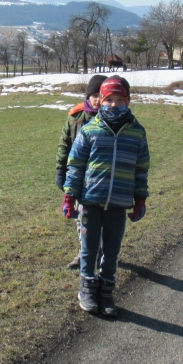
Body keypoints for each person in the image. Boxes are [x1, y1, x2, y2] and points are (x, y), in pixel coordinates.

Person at [62, 76, 149, 317]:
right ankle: (87, 288)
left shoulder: (137, 133)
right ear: (100, 100)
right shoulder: (89, 131)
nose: (114, 104)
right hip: (91, 201)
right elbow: (75, 166)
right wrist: (70, 197)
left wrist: (140, 198)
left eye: (120, 100)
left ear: (128, 101)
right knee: (89, 248)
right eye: (109, 99)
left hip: (119, 202)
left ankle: (106, 290)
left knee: (111, 250)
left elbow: (141, 168)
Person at [55, 73, 107, 269]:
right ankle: (84, 252)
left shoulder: (112, 119)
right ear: (87, 96)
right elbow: (64, 146)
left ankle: (102, 251)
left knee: (103, 218)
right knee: (81, 217)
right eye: (94, 95)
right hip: (79, 178)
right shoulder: (75, 118)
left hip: (102, 178)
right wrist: (61, 170)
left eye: (101, 95)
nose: (97, 100)